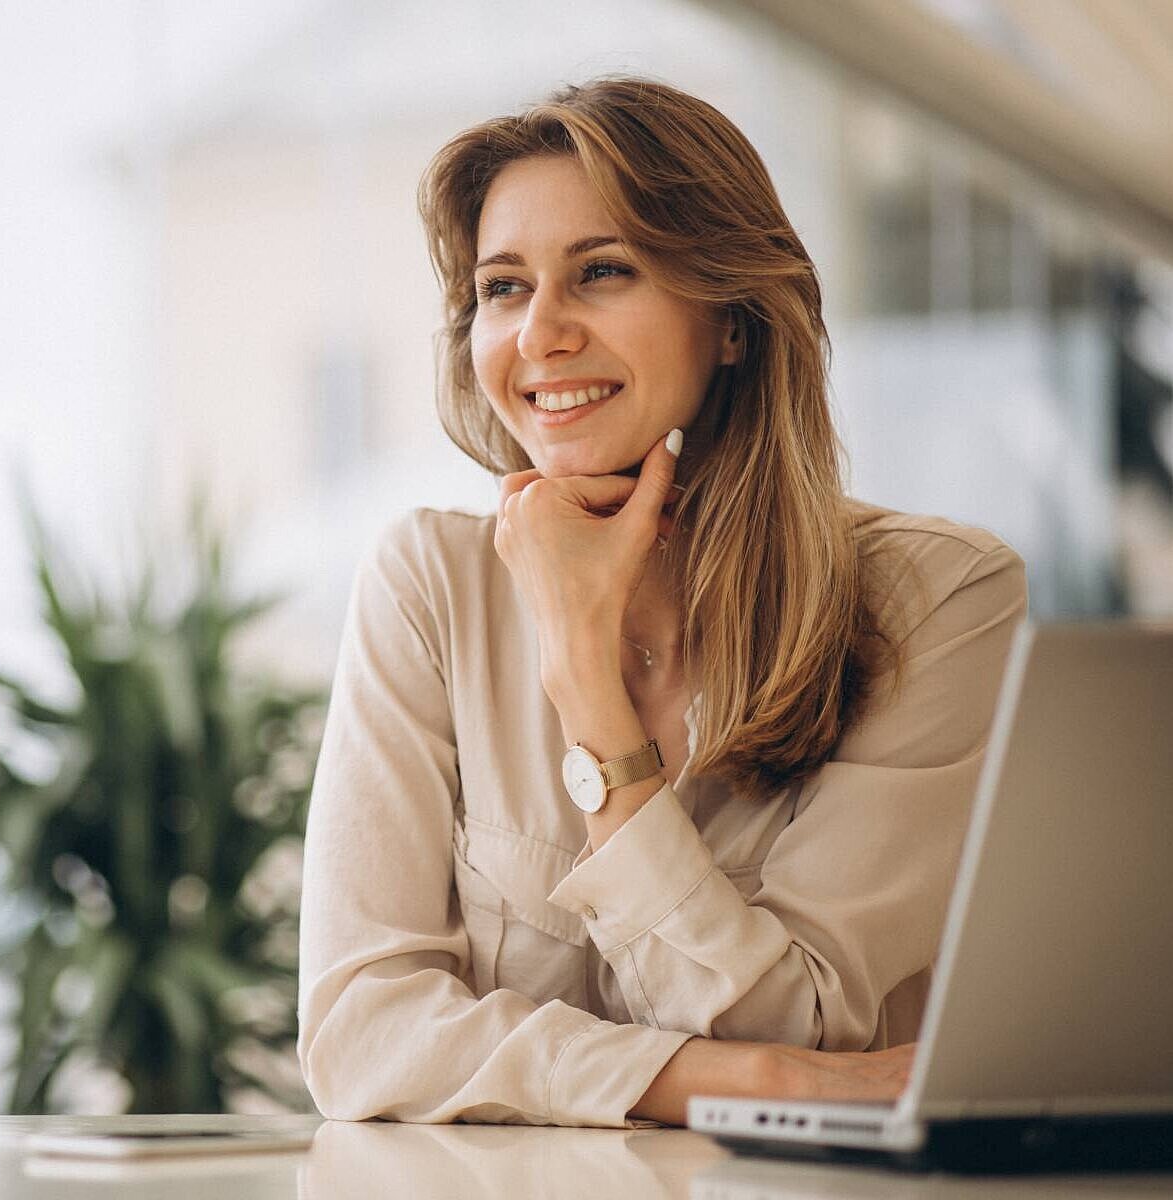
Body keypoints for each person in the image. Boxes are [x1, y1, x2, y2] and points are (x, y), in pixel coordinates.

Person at [297, 78, 1027, 1127]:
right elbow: (359, 1036)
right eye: (503, 289)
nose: (539, 335)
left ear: (729, 320)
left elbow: (802, 1029)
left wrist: (586, 686)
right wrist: (743, 1083)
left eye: (600, 273)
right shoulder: (427, 585)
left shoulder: (938, 598)